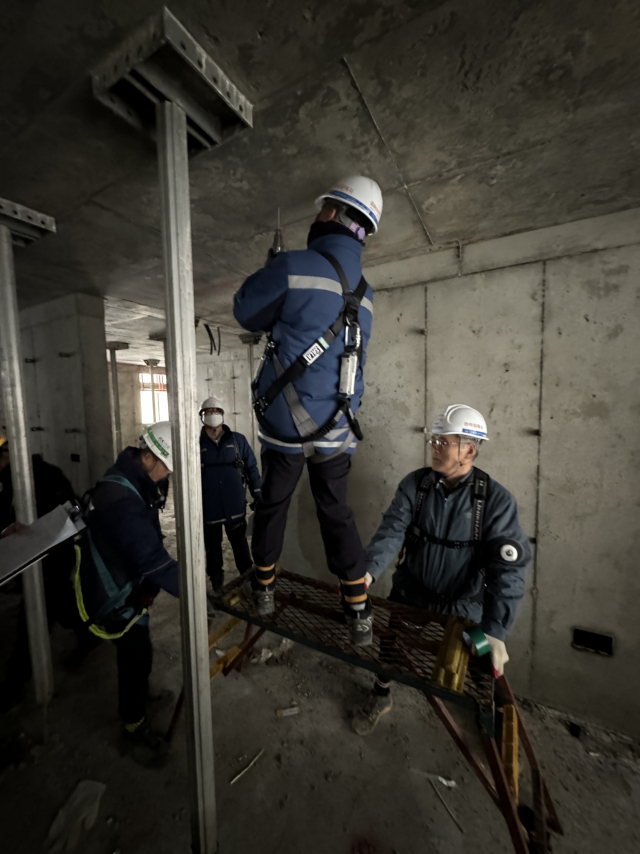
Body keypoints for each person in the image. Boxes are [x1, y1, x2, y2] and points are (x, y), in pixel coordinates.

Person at [233, 176, 383, 645]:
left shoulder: (294, 267)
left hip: (286, 426)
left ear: (334, 214)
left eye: (321, 210)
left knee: (274, 503)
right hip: (338, 427)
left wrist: (271, 270)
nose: (315, 217)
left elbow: (245, 311)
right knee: (336, 511)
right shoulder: (368, 295)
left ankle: (263, 588)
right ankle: (358, 608)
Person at [351, 405, 532, 735]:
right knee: (392, 648)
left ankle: (485, 712)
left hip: (465, 607)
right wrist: (369, 572)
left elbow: (509, 570)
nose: (434, 448)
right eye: (434, 441)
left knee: (481, 661)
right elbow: (392, 530)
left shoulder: (495, 501)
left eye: (443, 442)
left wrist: (496, 628)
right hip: (411, 593)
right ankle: (381, 694)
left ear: (470, 449)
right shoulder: (416, 485)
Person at [74, 421, 179, 766]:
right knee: (134, 657)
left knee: (141, 650)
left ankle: (142, 698)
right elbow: (152, 559)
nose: (165, 477)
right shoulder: (121, 497)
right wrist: (195, 593)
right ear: (148, 457)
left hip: (128, 582)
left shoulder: (131, 480)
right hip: (113, 591)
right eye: (165, 468)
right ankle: (133, 728)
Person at [0, 436, 97, 713]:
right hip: (29, 558)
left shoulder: (47, 476)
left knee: (33, 613)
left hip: (55, 554)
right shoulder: (7, 482)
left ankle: (16, 682)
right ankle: (88, 630)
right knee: (58, 602)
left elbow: (74, 512)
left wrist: (42, 534)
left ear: (9, 455)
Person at [199, 396, 262, 592]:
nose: (213, 415)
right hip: (209, 509)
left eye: (216, 411)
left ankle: (249, 584)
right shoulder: (194, 443)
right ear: (202, 416)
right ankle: (217, 585)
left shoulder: (238, 441)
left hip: (234, 506)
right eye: (208, 412)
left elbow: (251, 468)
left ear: (223, 415)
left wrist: (258, 494)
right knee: (213, 552)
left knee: (241, 549)